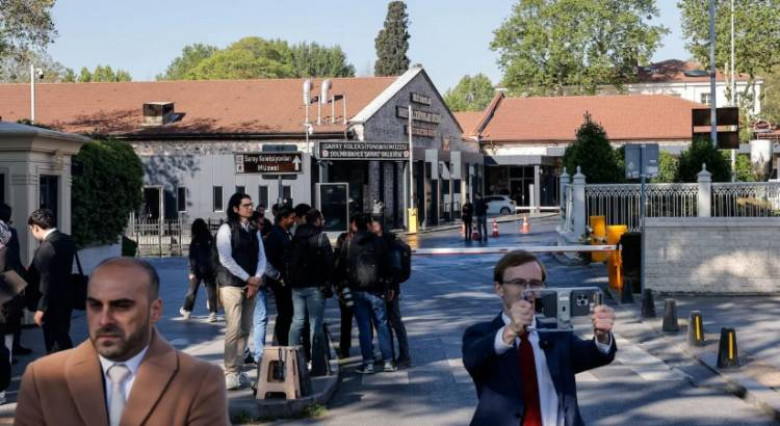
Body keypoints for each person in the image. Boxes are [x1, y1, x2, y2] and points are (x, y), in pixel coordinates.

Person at [14, 257, 229, 426]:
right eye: (95, 305)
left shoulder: (200, 381)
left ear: (155, 311)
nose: (104, 320)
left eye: (122, 306)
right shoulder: (42, 378)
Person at [462, 250, 616, 426]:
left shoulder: (556, 333)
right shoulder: (481, 334)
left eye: (535, 284)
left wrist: (602, 336)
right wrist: (511, 331)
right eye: (518, 283)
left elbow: (594, 354)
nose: (528, 291)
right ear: (499, 288)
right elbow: (473, 358)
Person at [215, 193, 267, 390]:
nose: (250, 208)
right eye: (246, 205)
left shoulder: (254, 230)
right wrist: (248, 278)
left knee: (245, 328)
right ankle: (229, 371)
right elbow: (225, 259)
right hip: (230, 284)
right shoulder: (226, 229)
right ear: (235, 209)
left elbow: (262, 257)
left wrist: (257, 279)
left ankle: (238, 367)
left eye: (251, 204)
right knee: (234, 327)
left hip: (251, 284)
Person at [342, 214, 394, 374]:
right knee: (382, 325)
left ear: (355, 225)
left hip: (357, 290)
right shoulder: (378, 241)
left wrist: (344, 286)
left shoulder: (350, 243)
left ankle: (368, 363)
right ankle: (388, 361)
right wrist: (389, 286)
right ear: (368, 225)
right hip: (377, 290)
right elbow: (387, 265)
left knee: (364, 327)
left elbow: (344, 266)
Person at [286, 209, 334, 376]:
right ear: (317, 221)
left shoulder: (296, 237)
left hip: (297, 286)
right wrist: (328, 281)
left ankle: (291, 363)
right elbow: (329, 263)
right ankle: (317, 365)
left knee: (297, 322)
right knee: (315, 325)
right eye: (322, 219)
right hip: (316, 286)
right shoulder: (321, 237)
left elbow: (288, 260)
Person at [26, 208, 77, 353]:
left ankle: (63, 366)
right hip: (65, 297)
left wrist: (41, 309)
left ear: (36, 227)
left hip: (52, 303)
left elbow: (46, 281)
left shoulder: (46, 248)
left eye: (31, 229)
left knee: (54, 342)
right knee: (62, 336)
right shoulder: (67, 240)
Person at [370, 217, 411, 368]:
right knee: (385, 323)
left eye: (373, 224)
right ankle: (389, 355)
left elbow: (395, 268)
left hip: (390, 289)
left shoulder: (389, 242)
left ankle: (404, 356)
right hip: (383, 287)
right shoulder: (378, 241)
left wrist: (391, 288)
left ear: (379, 226)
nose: (371, 227)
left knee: (395, 322)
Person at [0, 203, 31, 356]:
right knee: (13, 317)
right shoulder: (11, 232)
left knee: (10, 317)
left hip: (8, 278)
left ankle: (10, 350)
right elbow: (15, 259)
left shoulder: (9, 232)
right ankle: (12, 349)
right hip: (11, 278)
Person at [263, 206, 296, 347]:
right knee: (285, 312)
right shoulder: (276, 235)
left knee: (287, 312)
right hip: (280, 281)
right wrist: (278, 276)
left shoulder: (285, 233)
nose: (294, 221)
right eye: (292, 218)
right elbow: (267, 260)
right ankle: (281, 343)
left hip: (285, 279)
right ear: (284, 218)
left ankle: (283, 341)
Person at [180, 219, 218, 322]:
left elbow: (192, 257)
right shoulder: (210, 239)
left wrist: (191, 271)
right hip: (210, 268)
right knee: (211, 291)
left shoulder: (195, 240)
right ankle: (213, 313)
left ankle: (187, 311)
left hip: (197, 269)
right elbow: (215, 254)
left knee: (192, 290)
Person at [332, 217, 357, 359]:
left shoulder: (349, 238)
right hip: (346, 284)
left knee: (362, 319)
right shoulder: (343, 238)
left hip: (355, 284)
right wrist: (336, 282)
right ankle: (344, 347)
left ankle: (366, 348)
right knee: (346, 319)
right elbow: (337, 261)